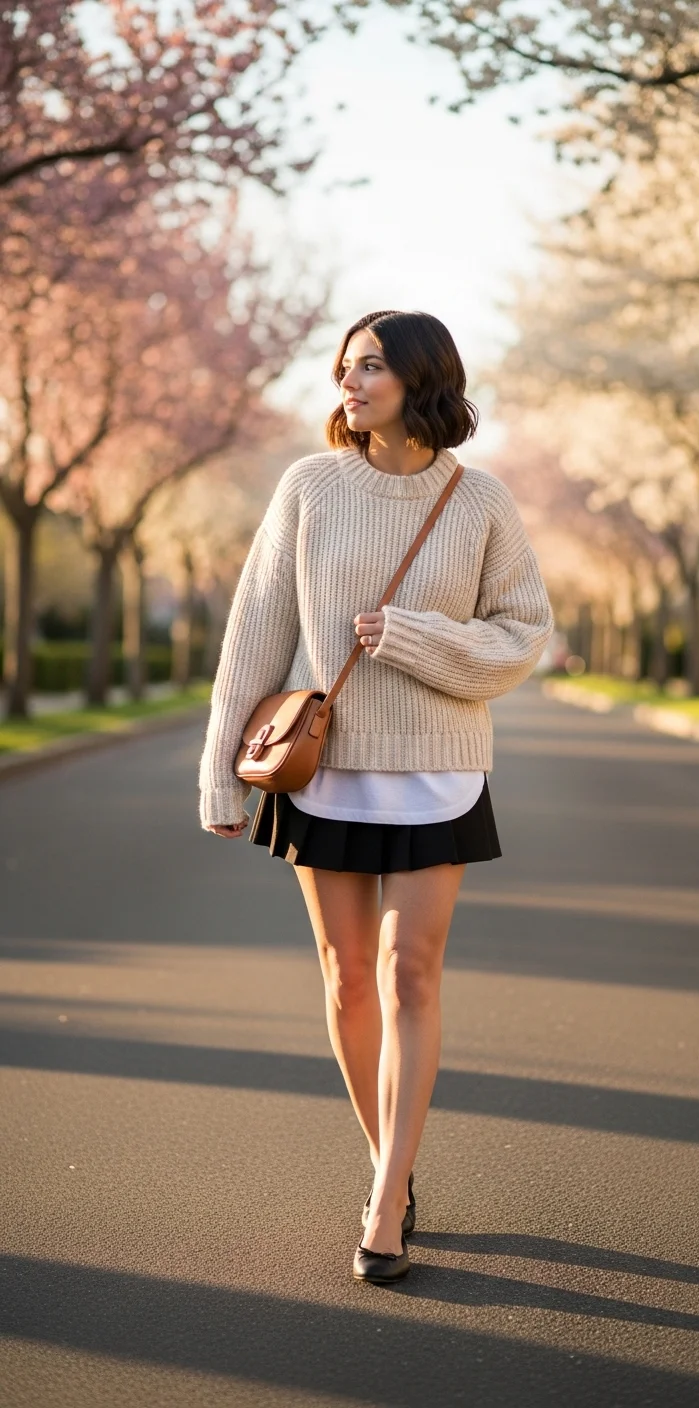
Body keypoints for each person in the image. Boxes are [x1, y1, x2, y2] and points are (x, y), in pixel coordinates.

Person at [198, 309, 554, 1284]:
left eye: (369, 370)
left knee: (412, 976)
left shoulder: (479, 501)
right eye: (345, 368)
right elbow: (258, 627)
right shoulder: (310, 485)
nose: (348, 385)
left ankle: (387, 1196)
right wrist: (218, 766)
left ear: (420, 381)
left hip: (438, 769)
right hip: (328, 768)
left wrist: (418, 636)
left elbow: (526, 632)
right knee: (349, 978)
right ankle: (389, 1161)